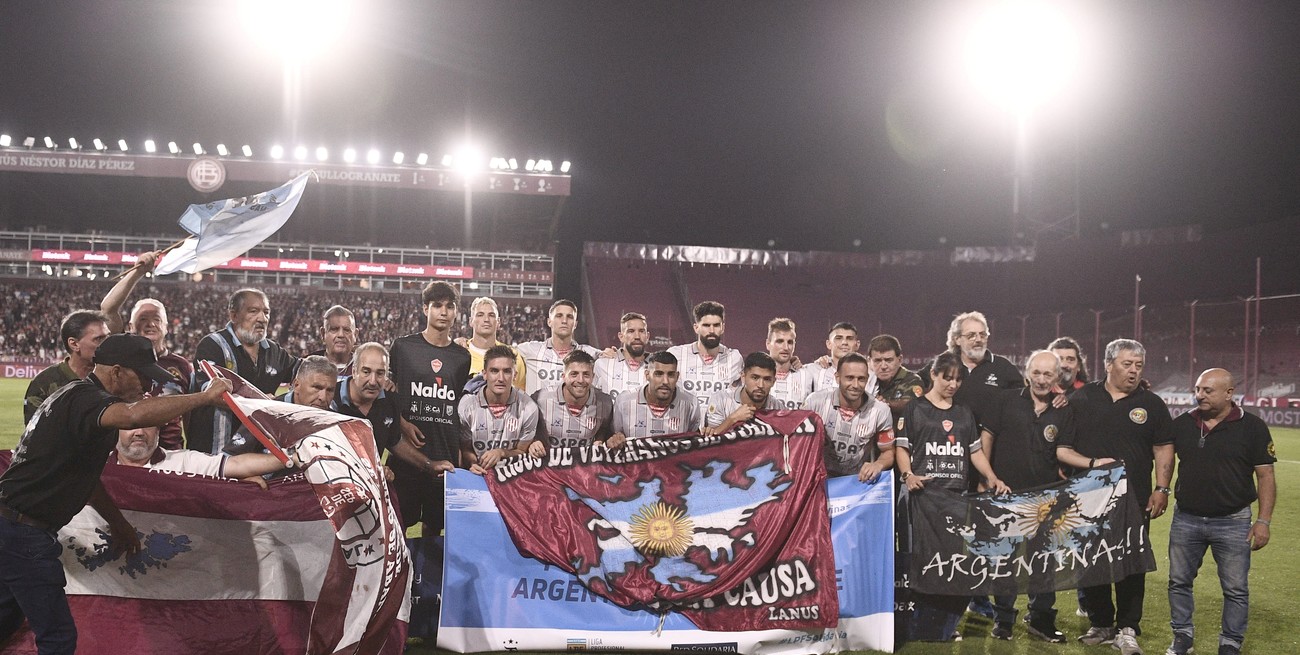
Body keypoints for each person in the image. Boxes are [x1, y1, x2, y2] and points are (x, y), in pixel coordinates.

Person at [0, 334, 232, 654]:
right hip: (23, 532)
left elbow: (86, 478)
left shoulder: (79, 399)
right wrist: (204, 398)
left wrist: (117, 522)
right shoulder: (86, 399)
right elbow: (133, 416)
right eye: (145, 376)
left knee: (6, 621)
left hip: (14, 527)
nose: (150, 386)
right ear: (117, 372)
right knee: (58, 638)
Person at [1055, 338, 1173, 655]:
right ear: (1109, 364)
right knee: (1092, 562)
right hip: (1088, 498)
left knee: (1131, 564)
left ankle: (1127, 628)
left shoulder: (1152, 404)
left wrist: (1162, 488)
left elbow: (1163, 447)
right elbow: (1064, 447)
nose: (1133, 371)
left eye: (1138, 365)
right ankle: (1101, 623)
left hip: (1134, 500)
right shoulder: (1081, 399)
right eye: (1127, 364)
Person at [1164, 368, 1276, 655]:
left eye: (1207, 390)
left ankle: (1230, 642)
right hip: (1186, 518)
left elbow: (1265, 476)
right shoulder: (1183, 424)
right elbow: (1162, 457)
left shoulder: (1253, 427)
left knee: (1236, 588)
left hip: (1234, 520)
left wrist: (1263, 520)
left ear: (1229, 393)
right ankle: (1182, 636)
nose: (1199, 395)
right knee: (1179, 581)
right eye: (1198, 389)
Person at [894, 351, 1003, 642]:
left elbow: (975, 451)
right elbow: (902, 449)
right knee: (917, 560)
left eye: (957, 380)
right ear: (933, 374)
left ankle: (944, 623)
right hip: (920, 498)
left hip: (954, 498)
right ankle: (913, 622)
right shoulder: (914, 409)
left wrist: (991, 477)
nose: (953, 384)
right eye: (947, 378)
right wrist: (908, 476)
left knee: (950, 563)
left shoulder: (964, 412)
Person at [981, 350, 1073, 643]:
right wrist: (987, 478)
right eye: (1037, 373)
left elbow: (1065, 450)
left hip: (1046, 501)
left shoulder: (1064, 408)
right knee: (1004, 562)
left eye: (1048, 374)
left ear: (1057, 378)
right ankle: (1004, 621)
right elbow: (987, 438)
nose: (1042, 379)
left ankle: (1041, 620)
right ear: (1027, 372)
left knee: (1044, 562)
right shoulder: (1005, 400)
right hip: (1006, 495)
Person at [389, 281, 472, 530]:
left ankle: (429, 571)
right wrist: (403, 425)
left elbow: (455, 402)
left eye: (450, 306)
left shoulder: (462, 357)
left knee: (435, 526)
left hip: (443, 451)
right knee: (399, 522)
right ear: (425, 309)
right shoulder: (403, 347)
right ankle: (400, 570)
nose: (444, 312)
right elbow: (389, 395)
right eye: (437, 306)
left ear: (456, 312)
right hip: (407, 453)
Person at [99, 249, 193, 449]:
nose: (150, 324)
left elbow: (190, 417)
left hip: (170, 455)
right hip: (125, 453)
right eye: (143, 319)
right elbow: (107, 310)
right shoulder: (119, 356)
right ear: (130, 327)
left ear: (166, 328)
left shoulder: (182, 366)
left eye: (156, 319)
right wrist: (138, 272)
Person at [189, 289, 300, 455]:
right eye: (253, 311)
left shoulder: (274, 351)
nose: (262, 318)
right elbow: (215, 394)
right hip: (212, 454)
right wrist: (263, 402)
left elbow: (305, 373)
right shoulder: (212, 345)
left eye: (266, 312)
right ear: (234, 316)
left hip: (255, 455)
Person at [335, 343, 454, 495]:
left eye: (380, 373)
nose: (373, 381)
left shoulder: (390, 402)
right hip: (333, 485)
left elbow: (395, 441)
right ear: (354, 370)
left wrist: (429, 465)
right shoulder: (332, 399)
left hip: (368, 490)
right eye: (366, 372)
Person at [801, 353, 895, 482]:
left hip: (856, 482)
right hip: (817, 480)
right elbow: (797, 444)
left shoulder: (880, 411)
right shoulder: (815, 403)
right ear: (837, 378)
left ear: (867, 379)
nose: (855, 385)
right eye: (850, 378)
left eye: (861, 379)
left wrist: (877, 465)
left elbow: (888, 451)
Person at [459, 345, 539, 475]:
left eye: (507, 371)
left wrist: (501, 453)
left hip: (512, 478)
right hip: (477, 475)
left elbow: (522, 452)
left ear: (515, 375)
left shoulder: (529, 407)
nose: (501, 378)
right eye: (494, 371)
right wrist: (473, 464)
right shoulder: (467, 405)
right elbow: (465, 448)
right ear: (484, 374)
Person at [115, 425, 289, 483]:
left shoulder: (183, 461)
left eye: (147, 425)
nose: (139, 432)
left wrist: (292, 459)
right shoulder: (95, 467)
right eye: (130, 425)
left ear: (158, 431)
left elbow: (236, 465)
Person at [22, 310, 110, 423]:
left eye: (108, 337)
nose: (107, 344)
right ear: (74, 344)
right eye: (98, 339)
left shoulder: (116, 377)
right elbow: (36, 434)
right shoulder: (44, 383)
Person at [608, 351, 702, 446]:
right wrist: (616, 439)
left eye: (671, 375)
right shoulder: (624, 401)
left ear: (677, 377)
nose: (665, 381)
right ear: (647, 375)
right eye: (658, 374)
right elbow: (615, 436)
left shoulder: (691, 403)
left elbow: (694, 440)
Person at [531, 350, 614, 452]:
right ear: (563, 377)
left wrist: (600, 439)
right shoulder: (540, 399)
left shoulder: (605, 403)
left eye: (586, 375)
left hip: (584, 467)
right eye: (574, 374)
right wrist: (533, 442)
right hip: (549, 466)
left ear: (593, 377)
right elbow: (526, 431)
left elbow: (604, 429)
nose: (580, 380)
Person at [667, 301, 743, 412]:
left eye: (716, 325)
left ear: (723, 327)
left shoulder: (735, 358)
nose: (712, 330)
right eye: (706, 325)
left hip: (721, 426)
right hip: (685, 425)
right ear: (696, 327)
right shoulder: (676, 354)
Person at [516, 299, 600, 395]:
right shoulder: (530, 350)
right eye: (559, 316)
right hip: (537, 409)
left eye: (569, 317)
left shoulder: (590, 354)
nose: (564, 321)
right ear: (549, 322)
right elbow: (500, 351)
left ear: (575, 324)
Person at [703, 351, 784, 434]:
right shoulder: (720, 399)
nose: (760, 385)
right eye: (755, 378)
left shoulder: (778, 408)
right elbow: (711, 440)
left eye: (767, 379)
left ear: (773, 382)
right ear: (743, 377)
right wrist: (733, 419)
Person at [461, 297, 526, 390]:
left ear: (498, 322)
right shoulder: (460, 352)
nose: (486, 319)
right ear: (471, 321)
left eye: (491, 315)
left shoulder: (512, 355)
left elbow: (521, 392)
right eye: (480, 315)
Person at [594, 312, 650, 401]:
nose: (637, 336)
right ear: (621, 336)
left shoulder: (657, 368)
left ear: (647, 336)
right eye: (631, 331)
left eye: (641, 331)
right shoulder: (602, 365)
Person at [867, 334, 925, 421]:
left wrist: (882, 404)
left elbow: (912, 406)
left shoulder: (912, 380)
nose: (883, 366)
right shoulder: (864, 381)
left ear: (900, 359)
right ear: (869, 361)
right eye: (877, 360)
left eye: (888, 360)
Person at [810, 322, 873, 394]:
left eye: (849, 339)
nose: (844, 342)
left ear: (857, 344)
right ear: (828, 344)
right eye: (838, 338)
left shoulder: (871, 375)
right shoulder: (813, 370)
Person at [766, 318, 814, 409]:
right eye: (780, 341)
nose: (786, 347)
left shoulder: (807, 376)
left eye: (790, 342)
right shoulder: (755, 376)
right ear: (768, 344)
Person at [311, 305, 358, 376]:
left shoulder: (365, 368)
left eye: (347, 330)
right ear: (323, 334)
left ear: (355, 335)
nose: (341, 335)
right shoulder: (307, 366)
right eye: (334, 329)